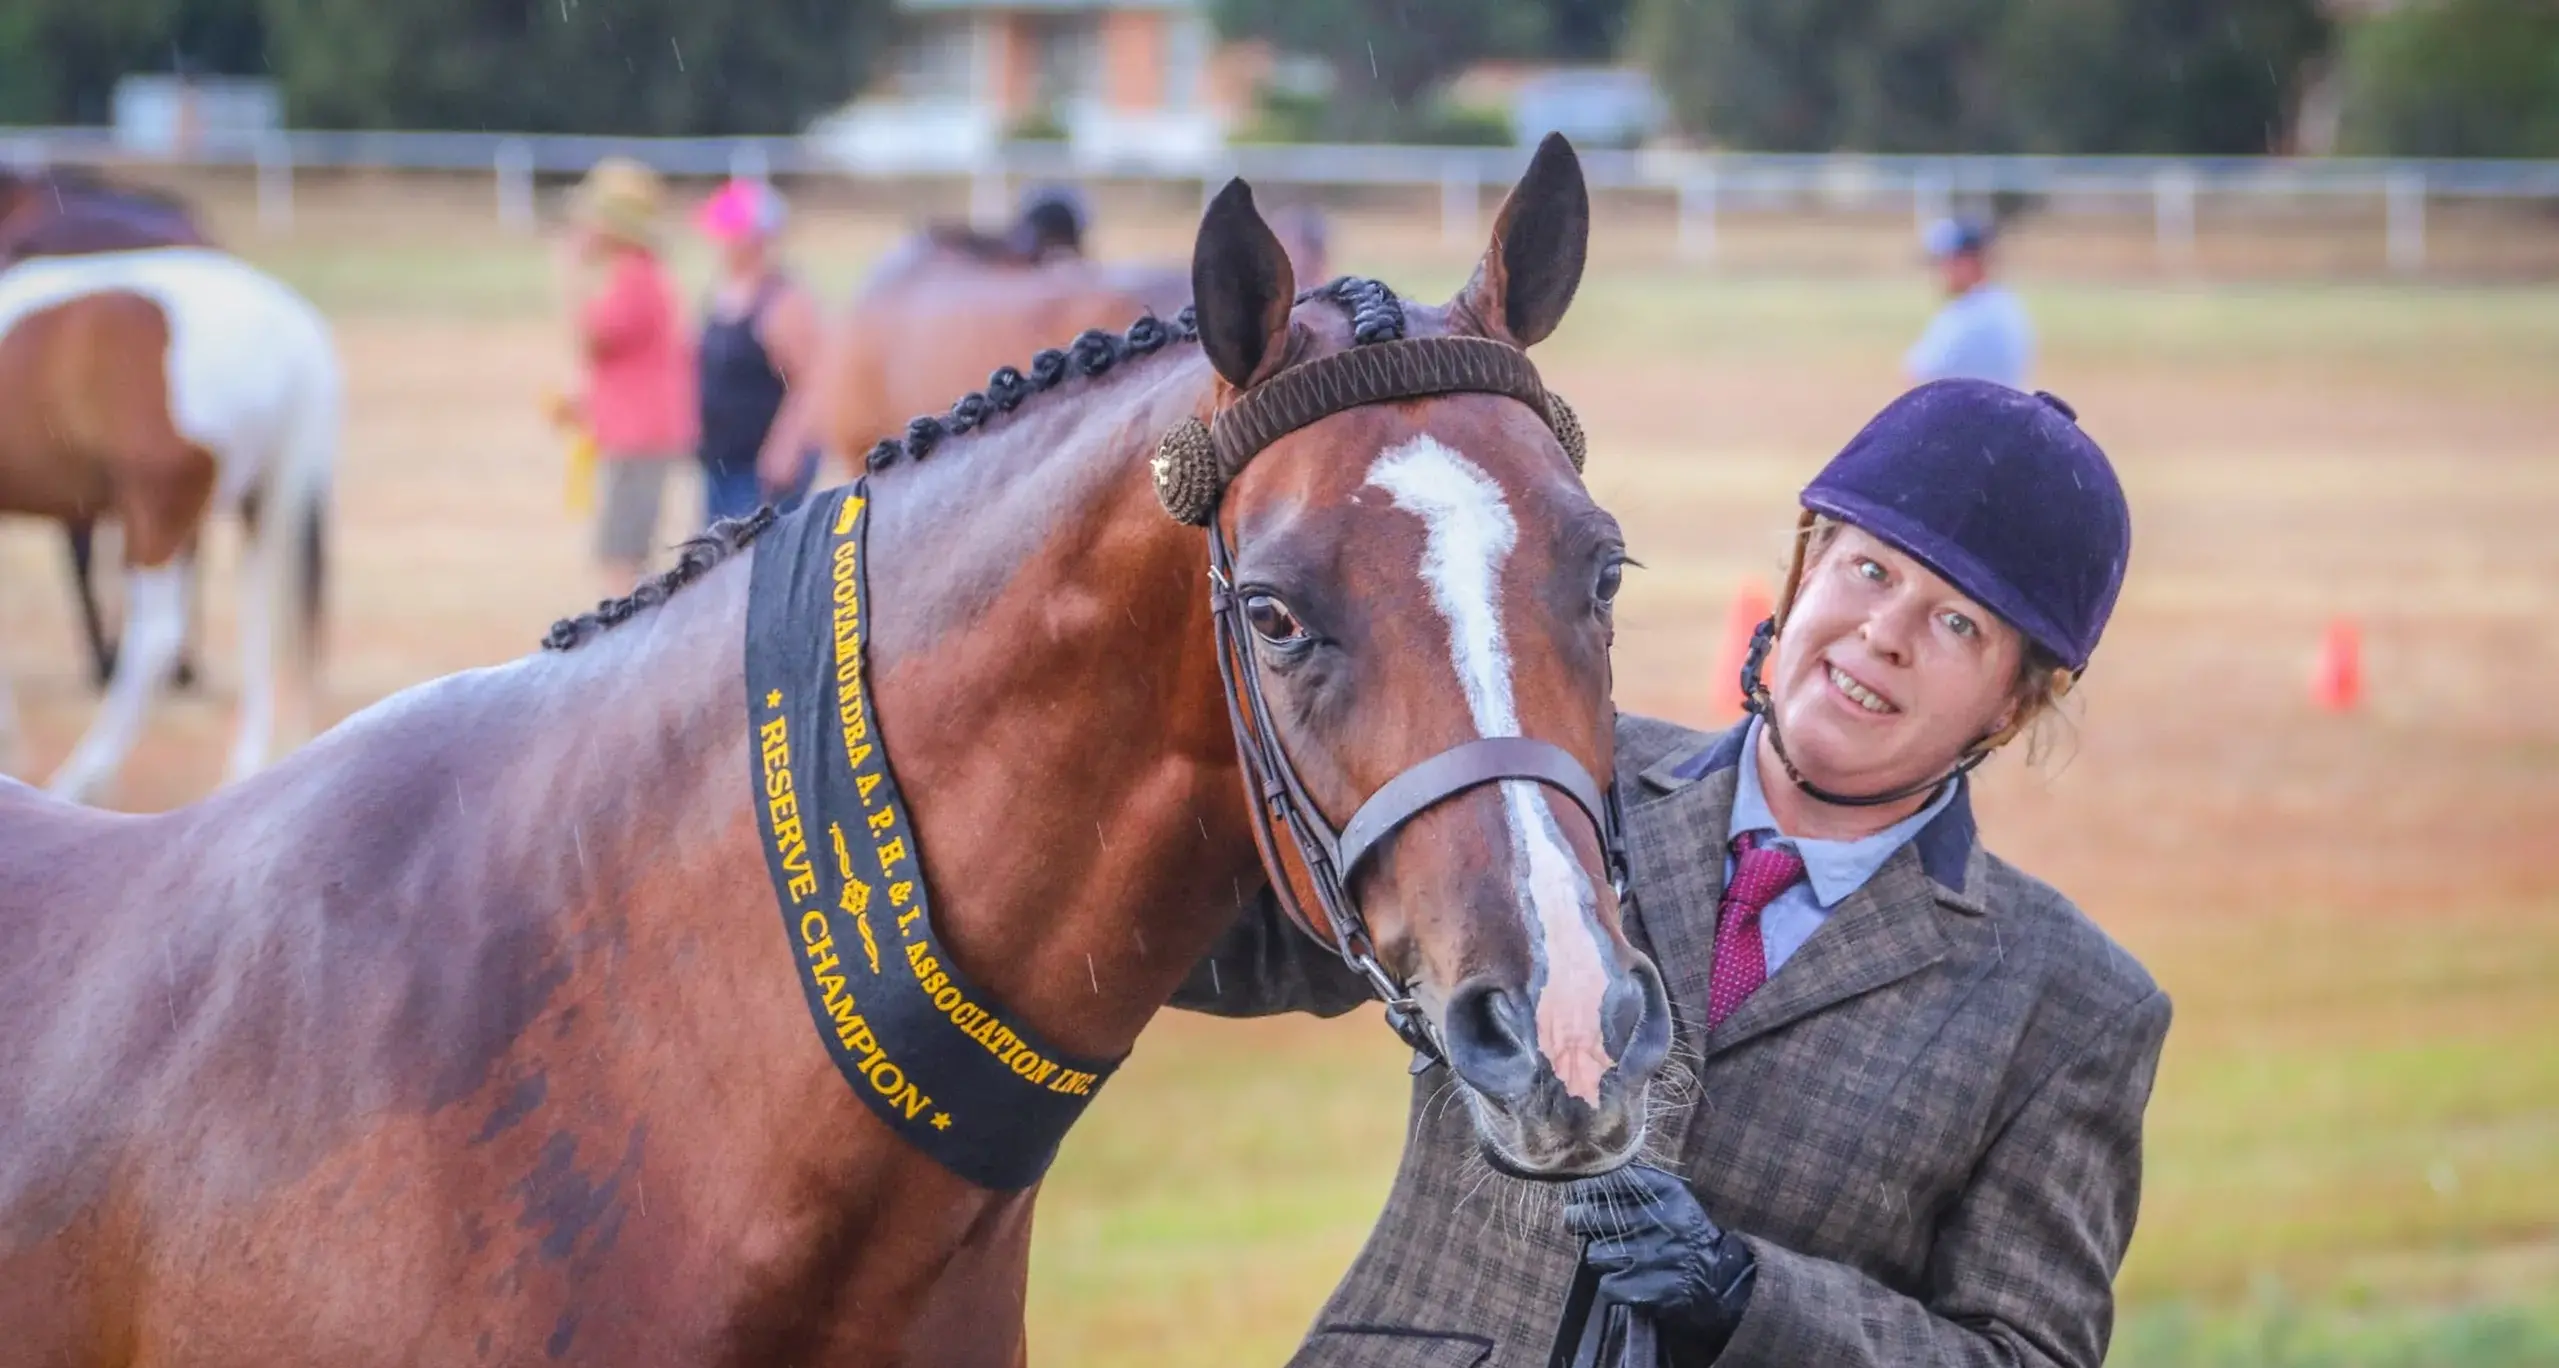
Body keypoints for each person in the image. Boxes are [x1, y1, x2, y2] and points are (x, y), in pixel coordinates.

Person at [1174, 379, 2169, 1368]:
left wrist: (1747, 1296)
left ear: (2012, 708)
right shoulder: (1549, 776)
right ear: (1800, 576)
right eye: (1869, 571)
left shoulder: (2076, 1007)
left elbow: (2028, 1354)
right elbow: (1231, 951)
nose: (1884, 633)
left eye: (1960, 625)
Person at [558, 156, 693, 595]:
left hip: (638, 439)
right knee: (627, 552)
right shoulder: (638, 275)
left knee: (622, 559)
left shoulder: (635, 278)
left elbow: (590, 338)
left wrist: (570, 274)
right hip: (635, 434)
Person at [692, 177, 825, 524]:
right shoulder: (723, 293)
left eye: (728, 234)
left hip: (763, 468)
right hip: (722, 461)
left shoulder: (784, 303)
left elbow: (811, 382)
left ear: (755, 239)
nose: (718, 243)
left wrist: (788, 447)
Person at [1904, 216, 2035, 390]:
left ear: (1968, 262)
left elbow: (1916, 372)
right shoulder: (2007, 305)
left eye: (1945, 261)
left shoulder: (1967, 315)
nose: (1939, 272)